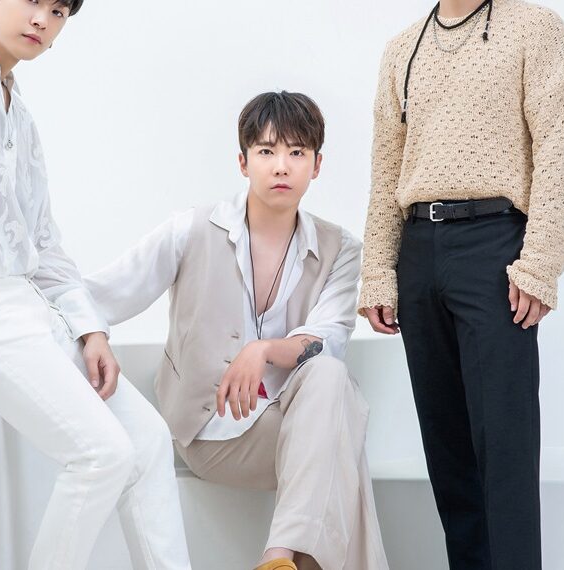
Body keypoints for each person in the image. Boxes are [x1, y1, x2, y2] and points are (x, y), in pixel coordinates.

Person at [0, 1, 192, 568]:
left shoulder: (15, 108)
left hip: (28, 308)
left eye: (59, 10)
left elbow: (42, 241)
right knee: (101, 455)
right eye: (32, 1)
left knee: (147, 439)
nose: (43, 20)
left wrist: (90, 328)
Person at [82, 91, 389, 570]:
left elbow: (327, 341)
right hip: (211, 432)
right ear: (243, 162)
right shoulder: (191, 230)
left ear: (317, 165)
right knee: (341, 440)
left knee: (330, 378)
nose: (281, 166)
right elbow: (100, 293)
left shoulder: (340, 249)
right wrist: (94, 334)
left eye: (297, 152)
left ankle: (278, 557)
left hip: (298, 428)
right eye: (267, 151)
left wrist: (262, 349)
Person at [359, 1, 564, 569]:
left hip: (494, 245)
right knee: (448, 451)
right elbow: (386, 169)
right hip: (418, 249)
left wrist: (540, 263)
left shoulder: (535, 28)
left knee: (505, 446)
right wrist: (378, 271)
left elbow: (559, 148)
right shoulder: (402, 48)